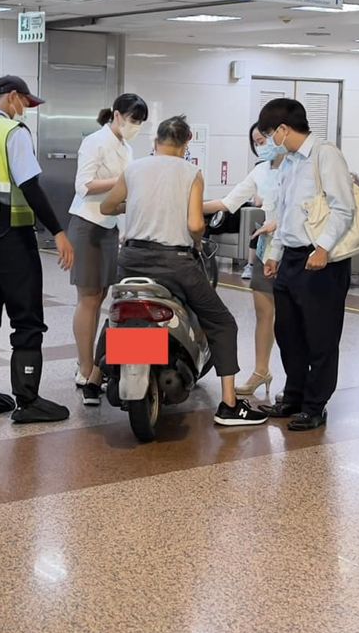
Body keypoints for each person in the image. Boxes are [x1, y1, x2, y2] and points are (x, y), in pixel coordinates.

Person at [101, 116, 265, 426]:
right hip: (175, 263)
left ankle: (94, 379)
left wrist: (132, 206)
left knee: (119, 312)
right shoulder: (191, 172)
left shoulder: (134, 169)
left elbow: (106, 207)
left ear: (156, 141)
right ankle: (230, 405)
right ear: (187, 142)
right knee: (222, 322)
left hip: (130, 259)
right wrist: (198, 241)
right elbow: (195, 224)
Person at [0, 75, 76, 424]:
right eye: (24, 102)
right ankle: (27, 399)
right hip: (11, 234)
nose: (25, 110)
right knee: (27, 317)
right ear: (11, 97)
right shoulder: (13, 133)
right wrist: (58, 231)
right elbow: (31, 186)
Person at [258, 98, 356, 431]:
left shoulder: (325, 155)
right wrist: (274, 253)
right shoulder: (289, 162)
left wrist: (323, 247)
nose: (269, 141)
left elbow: (343, 207)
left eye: (269, 134)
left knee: (321, 337)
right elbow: (284, 212)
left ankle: (315, 406)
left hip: (320, 260)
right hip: (291, 258)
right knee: (288, 333)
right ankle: (294, 396)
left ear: (283, 129)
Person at [67, 93, 148, 405]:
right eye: (132, 119)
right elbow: (83, 185)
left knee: (101, 296)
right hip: (88, 224)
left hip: (110, 227)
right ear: (116, 115)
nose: (135, 126)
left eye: (140, 122)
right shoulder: (95, 142)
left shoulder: (126, 148)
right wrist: (122, 180)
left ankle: (92, 366)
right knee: (88, 298)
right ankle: (85, 368)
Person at [202, 123, 287, 402]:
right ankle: (261, 371)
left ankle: (297, 380)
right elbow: (229, 202)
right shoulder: (260, 171)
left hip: (291, 249)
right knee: (264, 315)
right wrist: (188, 206)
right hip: (266, 249)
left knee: (291, 319)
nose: (261, 146)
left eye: (264, 139)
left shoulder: (298, 167)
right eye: (257, 142)